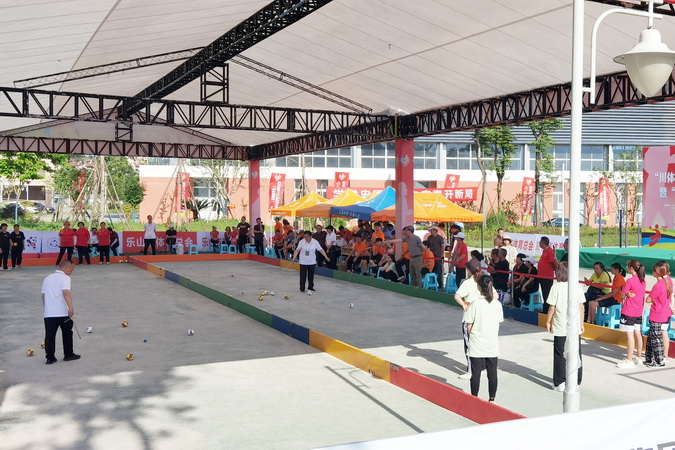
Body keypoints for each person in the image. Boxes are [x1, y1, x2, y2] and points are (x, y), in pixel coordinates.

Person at [545, 261, 585, 391]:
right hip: (574, 325)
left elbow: (552, 307)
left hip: (560, 325)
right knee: (575, 353)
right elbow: (581, 307)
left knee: (560, 354)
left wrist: (548, 321)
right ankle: (576, 381)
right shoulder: (577, 286)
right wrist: (581, 323)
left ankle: (560, 382)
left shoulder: (556, 287)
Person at [466, 275, 503, 402]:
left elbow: (469, 326)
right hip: (491, 342)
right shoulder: (497, 304)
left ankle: (474, 398)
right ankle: (492, 398)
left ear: (478, 287)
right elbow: (499, 321)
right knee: (492, 373)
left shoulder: (475, 304)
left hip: (476, 342)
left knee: (475, 374)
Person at [42, 260, 80, 364]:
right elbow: (66, 292)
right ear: (66, 268)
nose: (71, 272)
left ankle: (50, 358)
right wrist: (71, 308)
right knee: (67, 333)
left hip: (49, 313)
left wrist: (47, 307)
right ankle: (68, 354)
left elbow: (43, 295)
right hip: (63, 312)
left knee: (49, 335)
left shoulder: (47, 278)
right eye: (71, 270)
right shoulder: (65, 278)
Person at [454, 260, 486, 380]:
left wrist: (464, 304)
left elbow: (457, 296)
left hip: (469, 318)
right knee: (480, 342)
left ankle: (471, 371)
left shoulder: (467, 283)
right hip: (482, 317)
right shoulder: (485, 280)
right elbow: (495, 295)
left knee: (469, 344)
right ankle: (482, 368)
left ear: (469, 270)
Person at [616, 259, 647, 369]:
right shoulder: (643, 281)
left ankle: (629, 360)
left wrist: (627, 294)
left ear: (632, 268)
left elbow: (622, 295)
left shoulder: (630, 281)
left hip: (629, 311)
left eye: (628, 266)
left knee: (629, 335)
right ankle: (638, 357)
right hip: (638, 311)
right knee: (637, 333)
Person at [644, 261, 675, 367]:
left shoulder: (658, 285)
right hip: (665, 312)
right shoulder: (669, 280)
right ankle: (649, 358)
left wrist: (653, 300)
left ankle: (659, 360)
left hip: (657, 314)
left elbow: (648, 299)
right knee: (653, 336)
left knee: (656, 338)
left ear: (657, 273)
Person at [538, 236, 558, 313]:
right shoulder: (545, 251)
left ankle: (546, 310)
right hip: (542, 276)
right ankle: (545, 309)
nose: (539, 243)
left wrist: (556, 271)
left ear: (543, 242)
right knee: (544, 293)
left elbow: (553, 262)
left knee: (547, 294)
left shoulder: (550, 251)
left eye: (540, 242)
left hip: (547, 276)